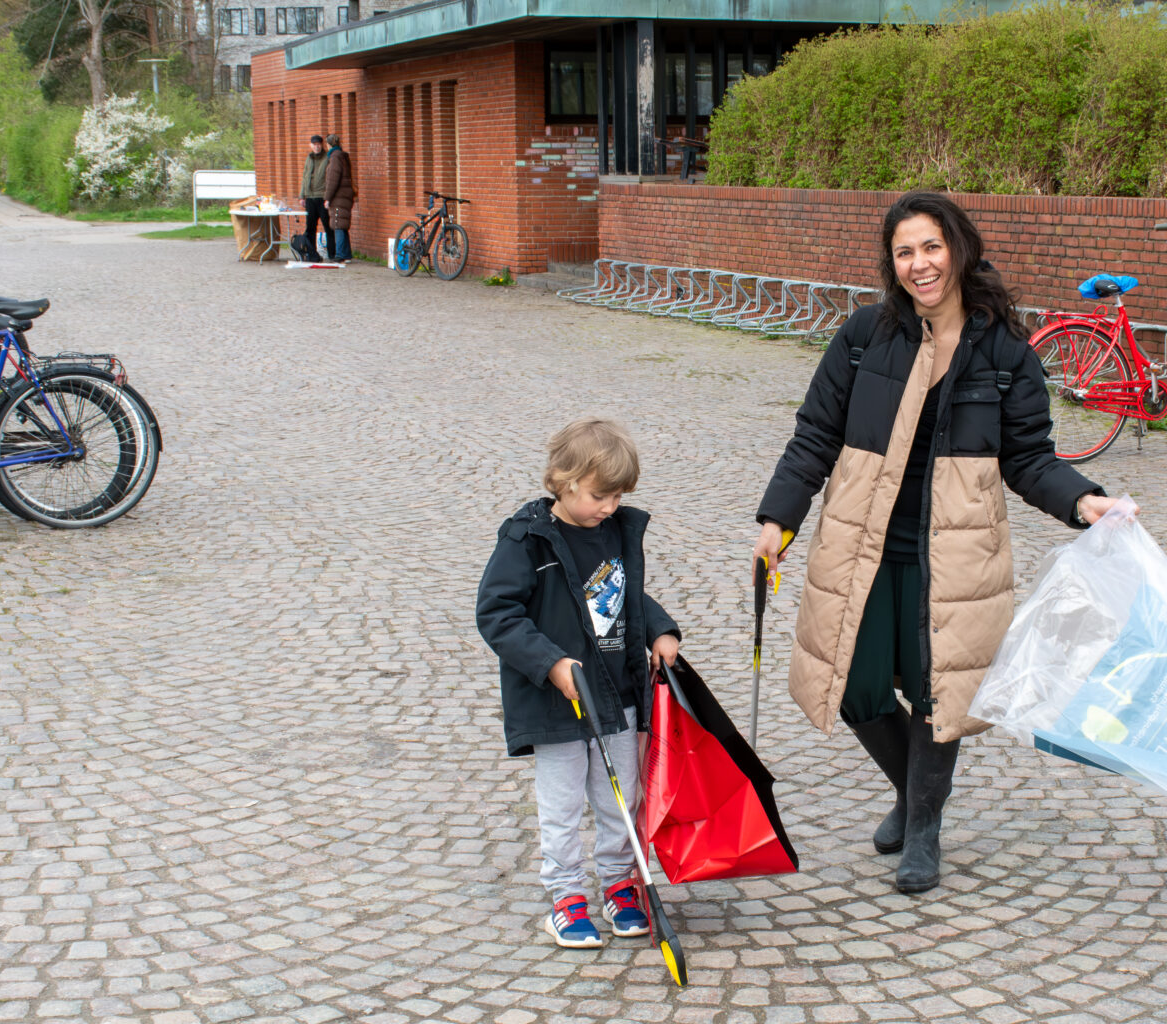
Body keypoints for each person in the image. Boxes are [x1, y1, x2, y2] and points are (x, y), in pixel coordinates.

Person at [751, 190, 1127, 895]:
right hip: (862, 546)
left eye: (931, 247)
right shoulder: (865, 337)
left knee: (936, 690)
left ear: (958, 248)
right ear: (891, 264)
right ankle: (917, 793)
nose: (919, 264)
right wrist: (779, 519)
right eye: (904, 252)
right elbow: (814, 435)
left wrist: (1082, 501)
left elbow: (1028, 458)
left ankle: (922, 826)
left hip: (955, 554)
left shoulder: (1005, 351)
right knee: (856, 684)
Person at [476, 418, 682, 949]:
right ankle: (566, 898)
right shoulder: (525, 539)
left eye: (618, 496)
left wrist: (659, 630)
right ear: (564, 480)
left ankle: (619, 886)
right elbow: (497, 614)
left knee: (620, 799)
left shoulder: (613, 533)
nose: (610, 507)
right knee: (563, 805)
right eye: (599, 495)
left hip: (615, 694)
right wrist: (551, 663)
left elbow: (626, 597)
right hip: (557, 705)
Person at [322, 132, 355, 262]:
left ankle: (340, 254)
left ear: (329, 144)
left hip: (338, 197)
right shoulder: (343, 156)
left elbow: (332, 180)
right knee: (342, 224)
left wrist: (327, 198)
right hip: (345, 196)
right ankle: (347, 254)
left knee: (337, 224)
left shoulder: (334, 157)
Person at [299, 134, 331, 262]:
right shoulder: (309, 158)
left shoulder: (327, 157)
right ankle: (311, 253)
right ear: (310, 145)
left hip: (322, 197)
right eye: (314, 144)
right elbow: (305, 177)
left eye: (319, 144)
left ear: (322, 145)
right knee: (310, 227)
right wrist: (302, 196)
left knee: (328, 227)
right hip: (310, 198)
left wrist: (328, 197)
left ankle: (333, 254)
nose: (317, 147)